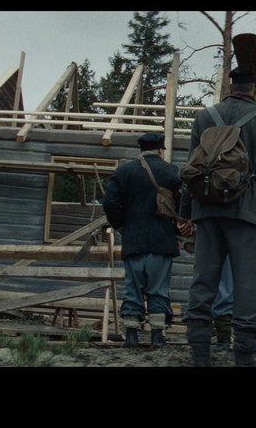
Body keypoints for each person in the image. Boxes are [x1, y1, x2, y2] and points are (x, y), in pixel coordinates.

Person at [179, 67, 256, 367]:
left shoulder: (204, 117)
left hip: (208, 210)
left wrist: (186, 213)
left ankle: (200, 354)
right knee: (248, 285)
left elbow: (191, 167)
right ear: (254, 89)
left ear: (230, 87)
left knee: (203, 281)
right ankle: (244, 356)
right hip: (248, 214)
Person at [102, 132, 185, 349]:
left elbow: (109, 203)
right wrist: (178, 234)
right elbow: (185, 205)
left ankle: (131, 336)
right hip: (162, 241)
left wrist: (121, 226)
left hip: (134, 240)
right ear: (160, 150)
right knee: (158, 289)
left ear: (141, 149)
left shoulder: (123, 172)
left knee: (133, 288)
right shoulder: (173, 172)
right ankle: (157, 336)